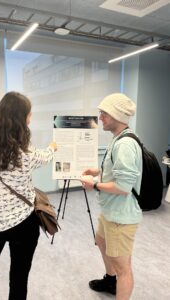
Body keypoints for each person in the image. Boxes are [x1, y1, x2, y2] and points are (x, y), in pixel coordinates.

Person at [0, 91, 57, 300]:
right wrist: (52, 147)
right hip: (24, 223)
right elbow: (45, 157)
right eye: (29, 114)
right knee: (19, 276)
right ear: (22, 118)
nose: (31, 118)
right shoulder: (26, 153)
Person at [81, 93, 143, 300]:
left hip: (121, 216)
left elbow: (124, 186)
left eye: (104, 113)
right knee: (101, 240)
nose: (100, 118)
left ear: (117, 115)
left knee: (123, 266)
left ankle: (118, 283)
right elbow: (116, 171)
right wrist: (97, 171)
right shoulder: (118, 139)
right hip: (111, 211)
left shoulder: (125, 144)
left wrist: (95, 184)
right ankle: (110, 281)